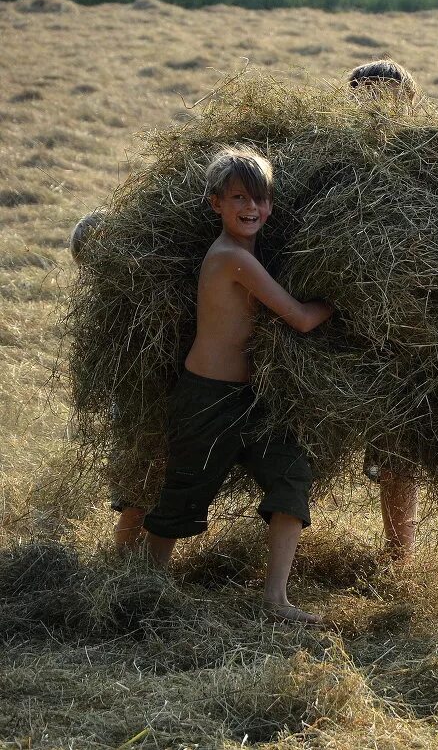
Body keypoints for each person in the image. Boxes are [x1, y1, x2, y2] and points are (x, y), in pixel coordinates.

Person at [141, 147, 333, 624]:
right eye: (239, 198)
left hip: (254, 399)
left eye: (261, 199)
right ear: (216, 204)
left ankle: (276, 599)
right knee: (184, 493)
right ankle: (146, 590)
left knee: (291, 478)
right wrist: (346, 301)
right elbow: (302, 319)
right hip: (206, 395)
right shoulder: (231, 258)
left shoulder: (252, 252)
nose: (252, 208)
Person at [348, 59, 424, 561]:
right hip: (344, 319)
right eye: (367, 98)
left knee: (400, 446)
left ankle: (400, 553)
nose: (379, 109)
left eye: (389, 99)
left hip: (409, 324)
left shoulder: (427, 161)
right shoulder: (335, 162)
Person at [69, 207, 155, 551]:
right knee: (139, 497)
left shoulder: (129, 289)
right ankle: (124, 561)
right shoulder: (112, 304)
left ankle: (138, 559)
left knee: (149, 495)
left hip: (141, 406)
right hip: (136, 413)